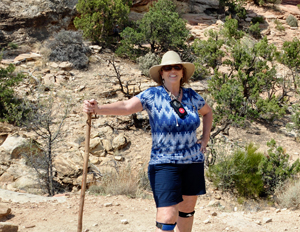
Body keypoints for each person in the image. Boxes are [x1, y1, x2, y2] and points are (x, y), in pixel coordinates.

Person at [83, 51, 213, 232]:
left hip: (192, 161)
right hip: (165, 162)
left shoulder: (192, 96)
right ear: (162, 73)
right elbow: (126, 107)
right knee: (167, 216)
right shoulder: (153, 95)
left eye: (177, 67)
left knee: (187, 209)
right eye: (168, 68)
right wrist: (98, 109)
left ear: (183, 72)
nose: (172, 71)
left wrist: (205, 138)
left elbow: (208, 112)